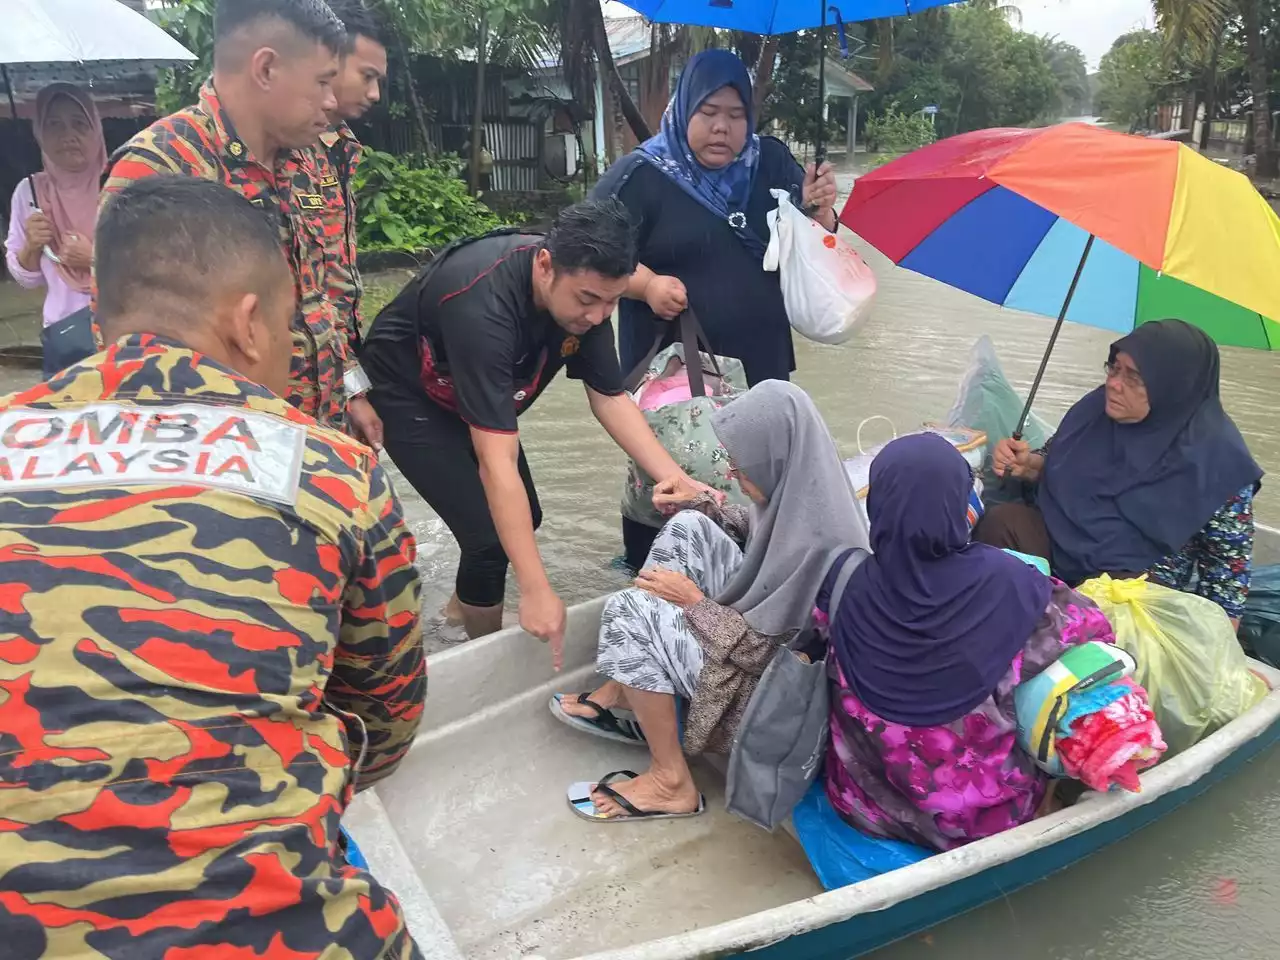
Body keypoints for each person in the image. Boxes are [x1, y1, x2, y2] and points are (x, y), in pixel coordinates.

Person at [0, 176, 426, 957]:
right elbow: (385, 725)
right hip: (263, 931)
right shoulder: (334, 470)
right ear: (251, 323)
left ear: (99, 315)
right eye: (292, 330)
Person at [363, 200, 715, 655]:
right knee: (488, 541)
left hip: (470, 386)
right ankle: (482, 655)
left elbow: (609, 396)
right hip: (409, 393)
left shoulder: (589, 297)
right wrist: (536, 589)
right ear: (545, 265)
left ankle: (457, 613)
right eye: (587, 300)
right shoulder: (482, 307)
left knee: (526, 517)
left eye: (612, 301)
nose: (596, 317)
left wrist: (674, 476)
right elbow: (496, 462)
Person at [555, 381, 869, 820]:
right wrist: (706, 505)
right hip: (748, 643)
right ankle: (628, 690)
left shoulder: (826, 547)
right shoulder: (803, 493)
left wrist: (696, 603)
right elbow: (762, 537)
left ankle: (671, 782)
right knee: (690, 527)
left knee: (629, 611)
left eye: (742, 464)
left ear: (775, 456)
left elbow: (772, 658)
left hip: (765, 696)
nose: (733, 473)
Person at [591, 49, 838, 568]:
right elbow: (587, 258)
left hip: (762, 365)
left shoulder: (771, 164)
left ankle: (756, 595)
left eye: (735, 114)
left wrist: (821, 210)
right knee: (670, 493)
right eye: (709, 112)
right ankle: (653, 585)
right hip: (675, 377)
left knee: (763, 491)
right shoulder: (640, 176)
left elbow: (812, 249)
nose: (722, 127)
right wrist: (646, 284)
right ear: (684, 111)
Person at [103, 0, 382, 445]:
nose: (332, 102)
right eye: (323, 82)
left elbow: (323, 299)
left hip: (320, 435)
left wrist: (351, 392)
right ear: (267, 69)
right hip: (227, 449)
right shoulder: (163, 167)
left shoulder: (308, 161)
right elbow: (129, 352)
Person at [823, 433, 1118, 852]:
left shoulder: (841, 580)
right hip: (980, 820)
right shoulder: (1010, 582)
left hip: (866, 808)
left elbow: (817, 636)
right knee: (1058, 687)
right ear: (959, 507)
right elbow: (1093, 629)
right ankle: (1047, 808)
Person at [978, 319, 1263, 625]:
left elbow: (1226, 577)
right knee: (1003, 523)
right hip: (1058, 546)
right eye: (1114, 368)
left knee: (1125, 608)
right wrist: (1029, 465)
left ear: (1173, 385)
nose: (1114, 383)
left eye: (1134, 377)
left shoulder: (1218, 461)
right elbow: (1055, 457)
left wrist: (1215, 654)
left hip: (1132, 584)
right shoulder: (1095, 411)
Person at [308, 0, 388, 447]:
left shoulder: (338, 148)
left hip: (333, 377)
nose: (375, 93)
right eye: (367, 76)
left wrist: (351, 385)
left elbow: (331, 284)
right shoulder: (276, 150)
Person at [5, 83, 105, 378]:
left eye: (78, 123)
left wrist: (95, 259)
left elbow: (154, 266)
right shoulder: (30, 193)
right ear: (39, 133)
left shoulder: (120, 183)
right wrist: (31, 247)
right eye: (54, 125)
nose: (68, 136)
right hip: (65, 335)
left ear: (96, 129)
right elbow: (26, 280)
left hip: (122, 328)